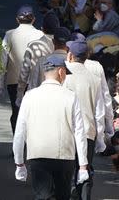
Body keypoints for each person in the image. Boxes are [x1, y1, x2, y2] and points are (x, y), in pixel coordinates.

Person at [13, 55, 89, 200]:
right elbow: (79, 132)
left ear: (44, 73)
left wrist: (19, 162)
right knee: (62, 196)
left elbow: (20, 132)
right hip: (64, 156)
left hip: (37, 154)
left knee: (42, 196)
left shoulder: (29, 96)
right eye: (65, 73)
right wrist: (83, 165)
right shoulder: (70, 96)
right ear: (61, 72)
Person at [63, 40, 104, 200]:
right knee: (85, 168)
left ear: (70, 55)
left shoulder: (62, 74)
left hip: (65, 129)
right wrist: (100, 138)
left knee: (65, 170)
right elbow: (99, 112)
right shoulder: (95, 79)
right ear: (87, 56)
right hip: (88, 131)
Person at [0, 5, 45, 132]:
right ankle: (30, 145)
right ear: (33, 19)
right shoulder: (40, 35)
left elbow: (3, 59)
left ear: (17, 20)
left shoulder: (10, 34)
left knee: (17, 112)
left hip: (14, 80)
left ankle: (17, 146)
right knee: (34, 113)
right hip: (36, 81)